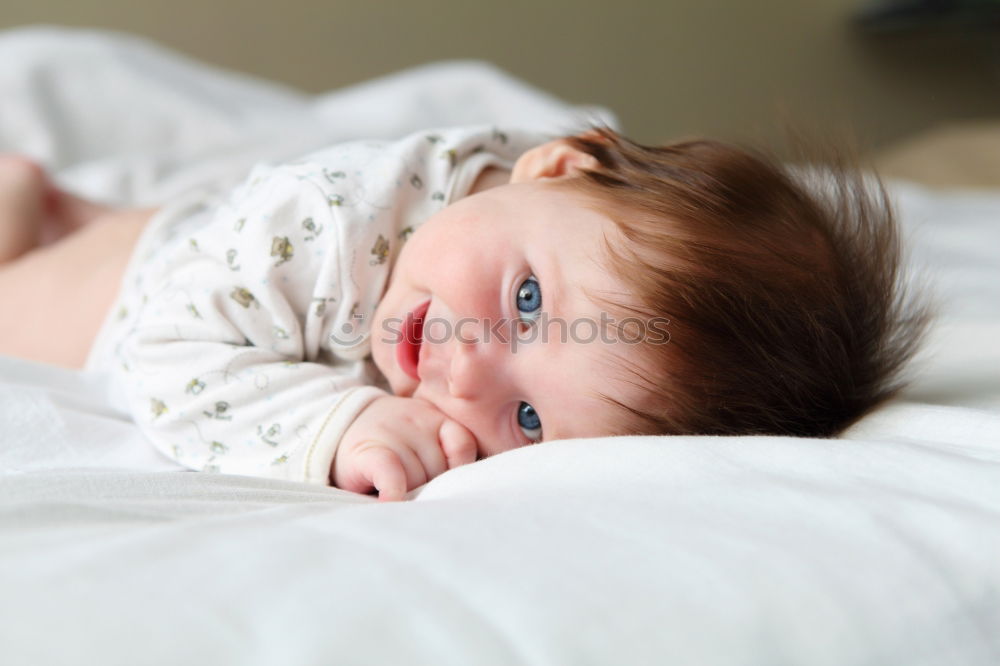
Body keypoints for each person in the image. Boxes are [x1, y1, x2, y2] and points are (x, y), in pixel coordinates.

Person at [0, 125, 926, 500]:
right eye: (526, 301)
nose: (470, 366)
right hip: (117, 288)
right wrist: (342, 418)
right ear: (558, 164)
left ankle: (49, 203)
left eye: (527, 420)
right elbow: (164, 357)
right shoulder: (330, 209)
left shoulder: (557, 226)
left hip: (210, 241)